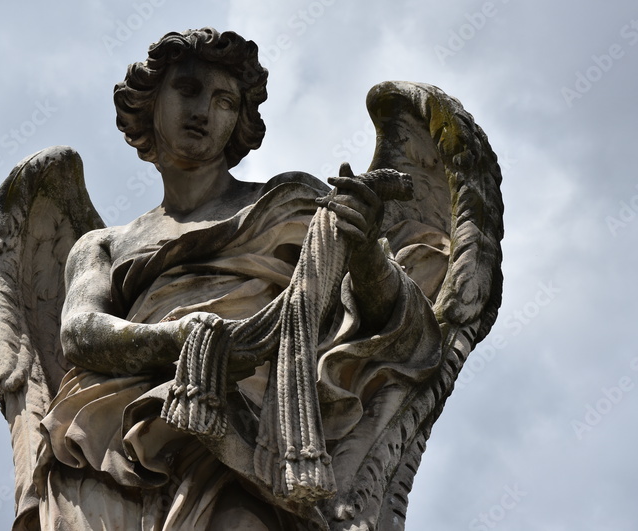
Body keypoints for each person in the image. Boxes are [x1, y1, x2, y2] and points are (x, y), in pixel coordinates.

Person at [37, 29, 442, 530]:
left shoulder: (292, 208)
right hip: (114, 436)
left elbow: (391, 325)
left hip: (249, 429)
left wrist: (364, 254)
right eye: (187, 89)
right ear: (149, 101)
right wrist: (175, 338)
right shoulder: (105, 245)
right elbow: (78, 332)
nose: (204, 110)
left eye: (224, 100)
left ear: (240, 119)